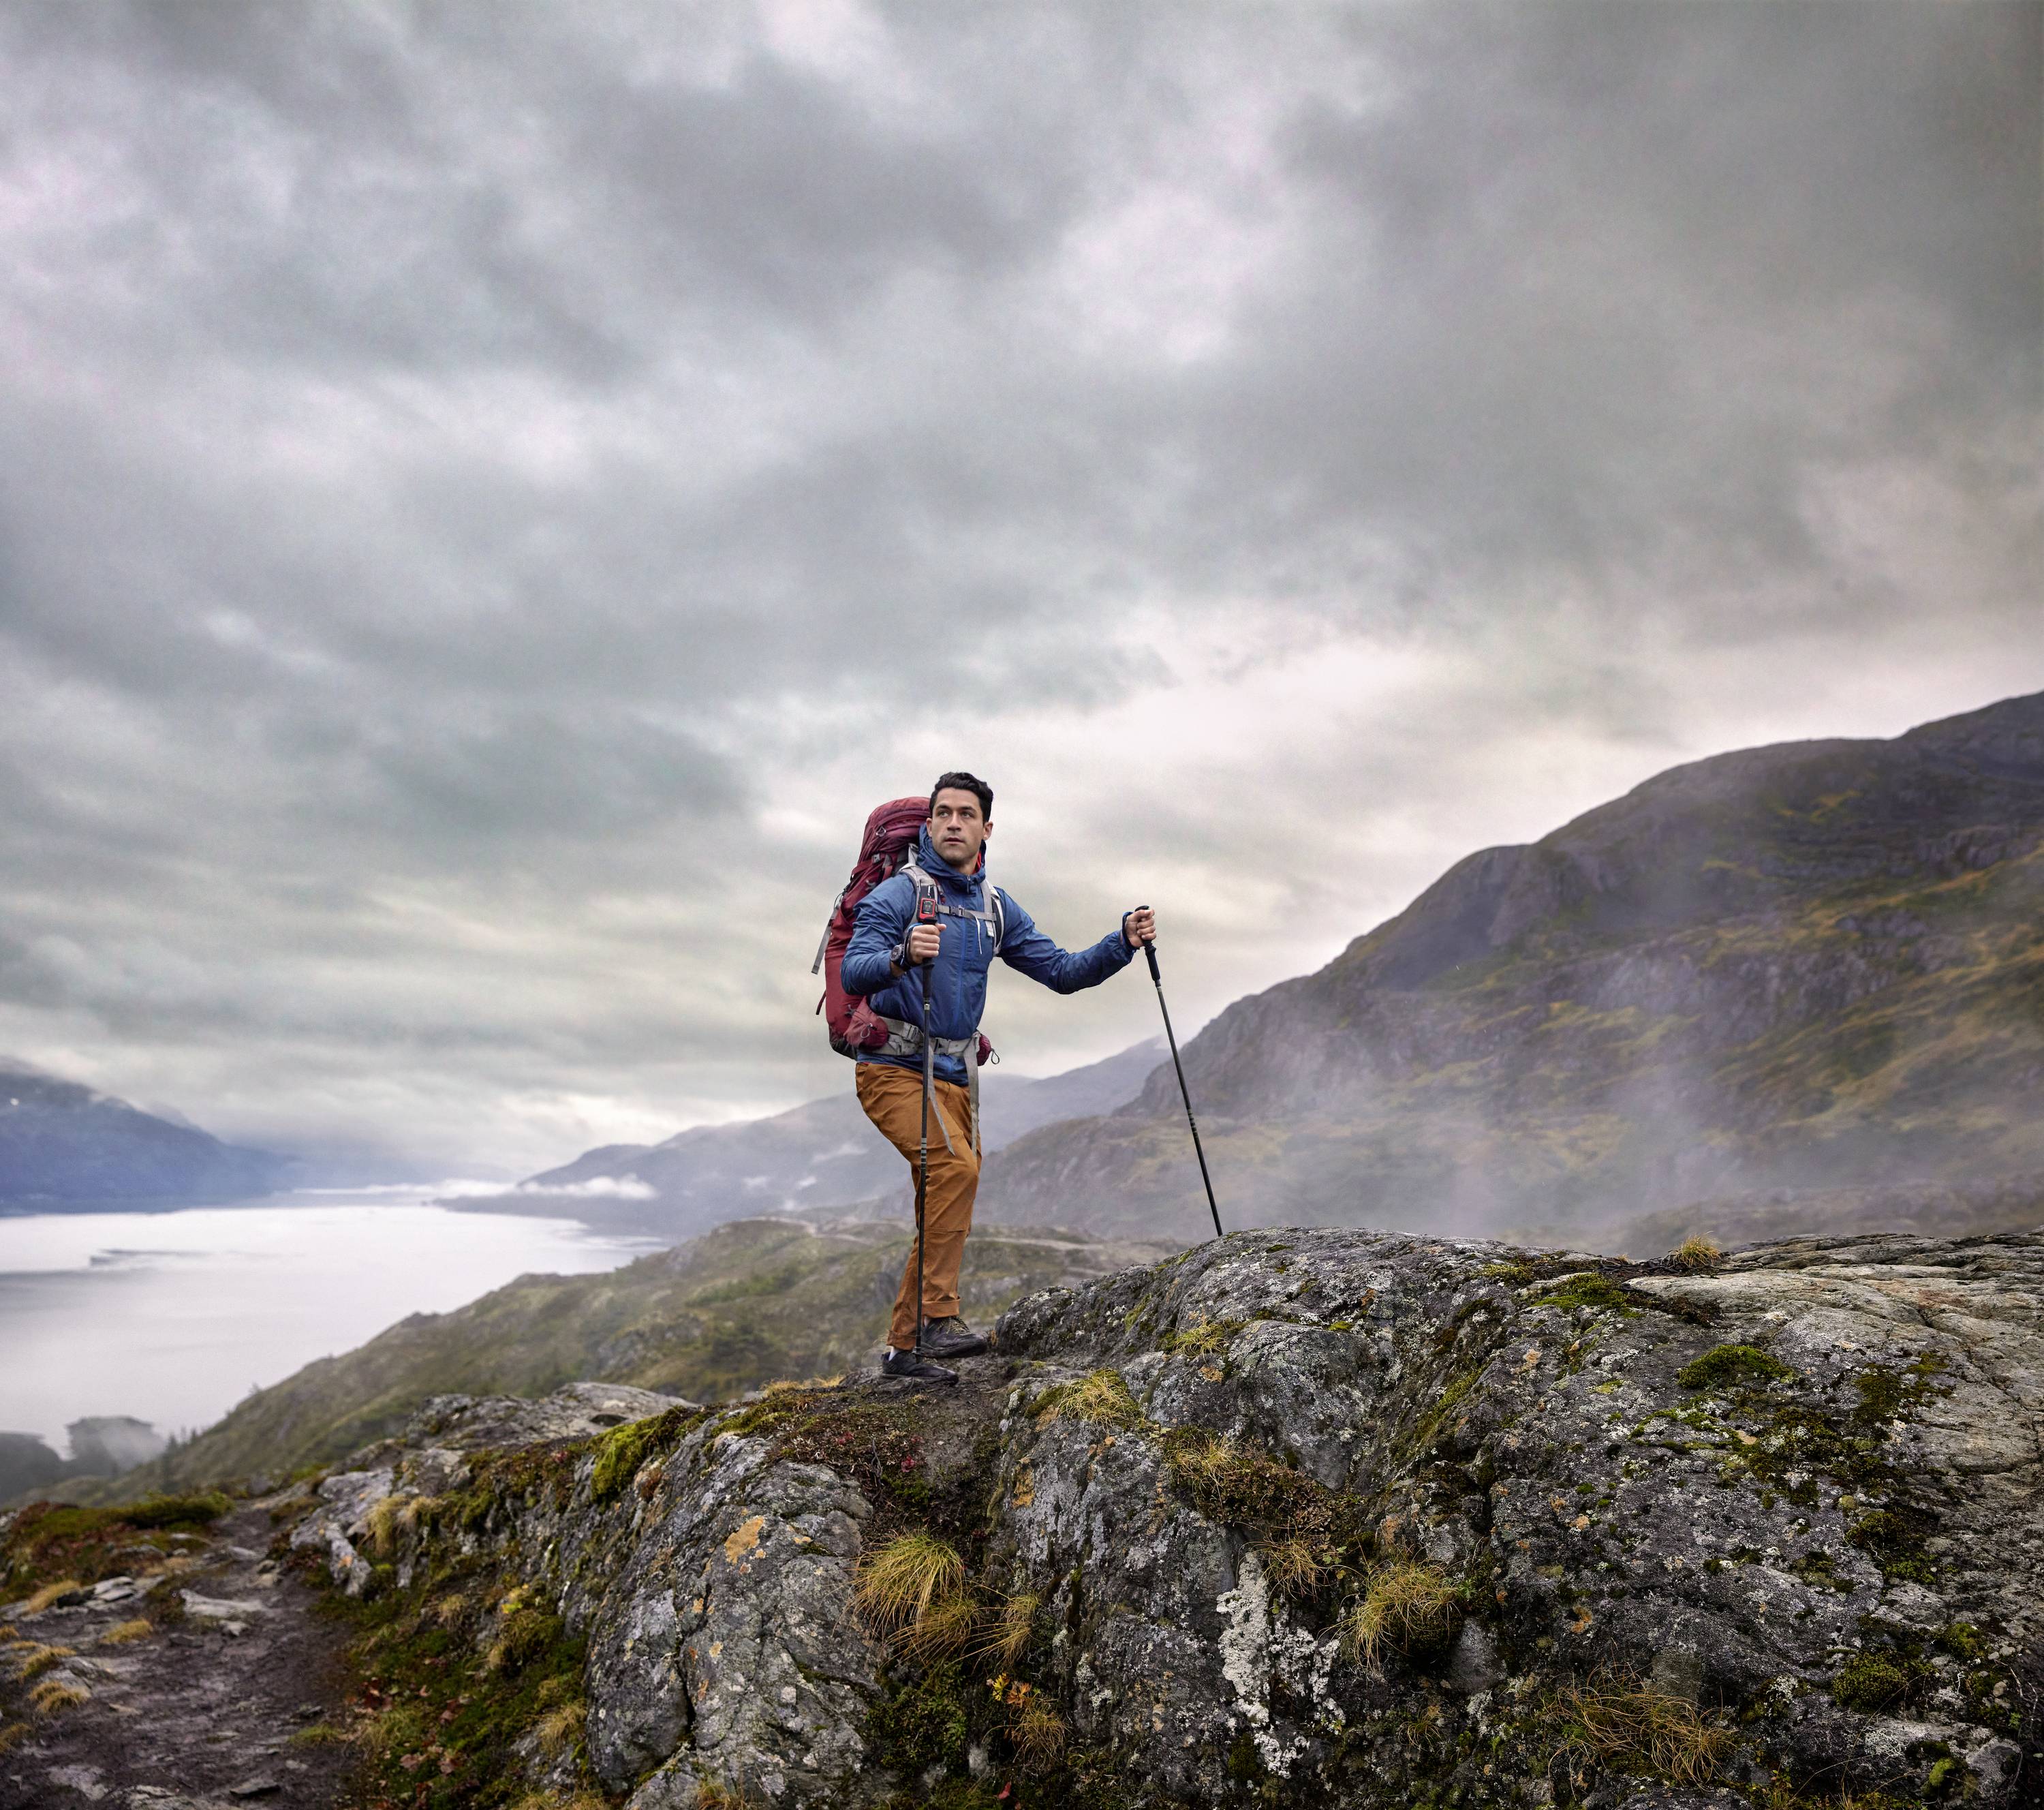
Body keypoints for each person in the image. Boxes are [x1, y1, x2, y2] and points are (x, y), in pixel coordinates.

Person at [841, 771, 1156, 1380]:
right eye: (943, 813)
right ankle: (937, 1321)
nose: (953, 823)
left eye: (966, 814)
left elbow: (1063, 972)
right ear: (929, 825)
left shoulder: (993, 906)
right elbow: (856, 970)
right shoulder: (901, 896)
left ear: (987, 828)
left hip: (957, 1077)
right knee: (953, 1170)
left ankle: (904, 1351)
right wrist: (903, 953)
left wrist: (1121, 942)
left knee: (947, 1192)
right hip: (894, 1068)